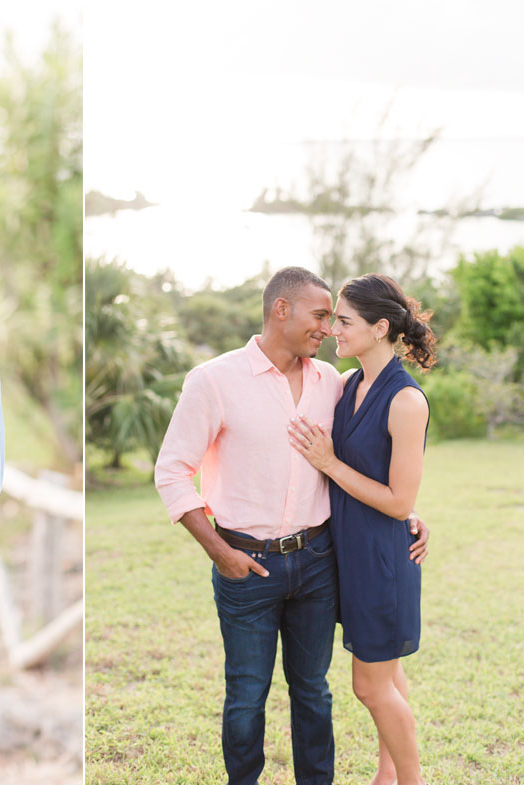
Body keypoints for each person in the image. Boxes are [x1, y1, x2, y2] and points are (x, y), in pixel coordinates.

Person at [154, 266, 429, 785]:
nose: (328, 329)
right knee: (246, 695)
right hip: (245, 565)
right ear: (282, 310)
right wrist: (218, 550)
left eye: (337, 319)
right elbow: (171, 472)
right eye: (322, 316)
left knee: (314, 692)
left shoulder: (333, 382)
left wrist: (406, 513)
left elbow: (373, 460)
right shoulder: (214, 380)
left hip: (320, 562)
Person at [288, 273, 436, 785]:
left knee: (370, 687)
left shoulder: (406, 401)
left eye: (344, 321)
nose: (333, 331)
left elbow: (399, 501)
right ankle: (386, 774)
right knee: (388, 674)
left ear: (379, 328)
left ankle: (411, 781)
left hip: (381, 562)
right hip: (347, 553)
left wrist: (328, 463)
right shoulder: (349, 385)